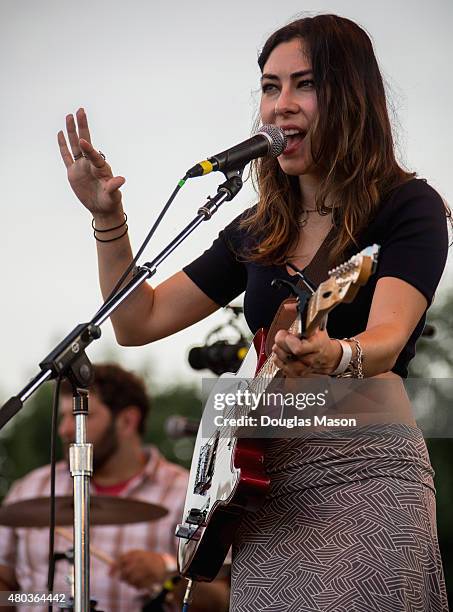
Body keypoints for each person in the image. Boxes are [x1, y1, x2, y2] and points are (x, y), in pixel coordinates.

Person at [56, 13, 449, 612]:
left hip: (365, 476)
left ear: (351, 98)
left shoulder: (405, 206)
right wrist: (108, 219)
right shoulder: (258, 228)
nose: (280, 105)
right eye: (270, 87)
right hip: (262, 495)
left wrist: (336, 354)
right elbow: (137, 322)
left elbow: (388, 339)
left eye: (304, 85)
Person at [0, 364, 230, 612]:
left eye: (81, 416)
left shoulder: (189, 495)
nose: (64, 429)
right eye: (63, 417)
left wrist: (167, 575)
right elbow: (5, 585)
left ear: (127, 421)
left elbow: (224, 600)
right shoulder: (31, 489)